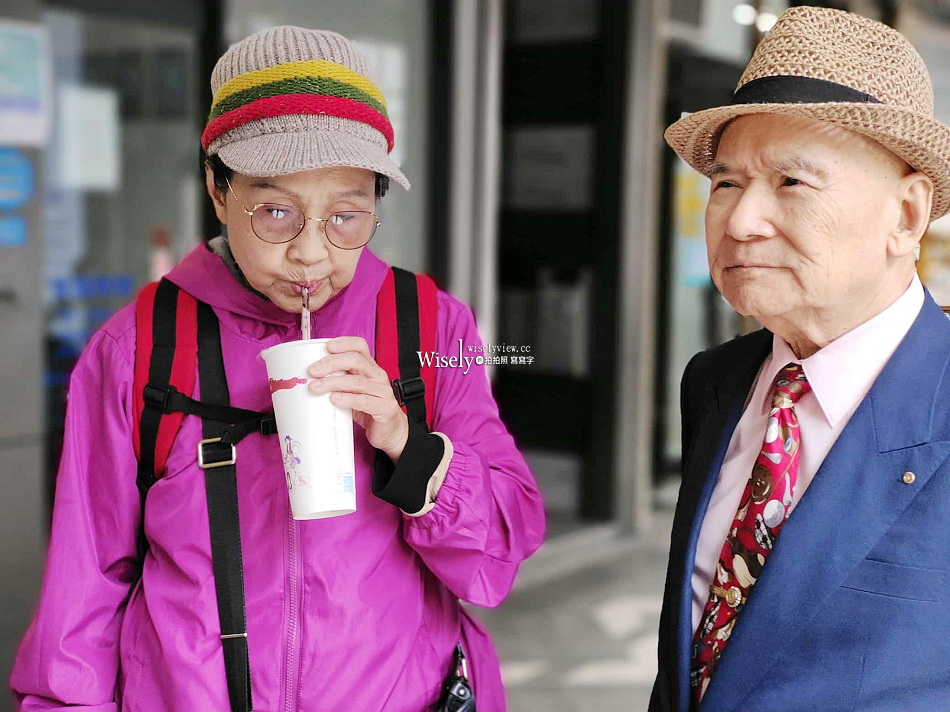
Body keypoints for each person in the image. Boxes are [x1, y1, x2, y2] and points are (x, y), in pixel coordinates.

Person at [11, 26, 545, 712]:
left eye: (347, 216)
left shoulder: (433, 326)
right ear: (216, 189)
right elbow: (81, 601)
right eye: (275, 212)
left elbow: (500, 550)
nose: (311, 256)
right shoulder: (138, 346)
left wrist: (408, 446)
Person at [651, 7, 950, 712]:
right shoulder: (718, 379)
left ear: (905, 217)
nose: (741, 221)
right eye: (725, 183)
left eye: (791, 183)